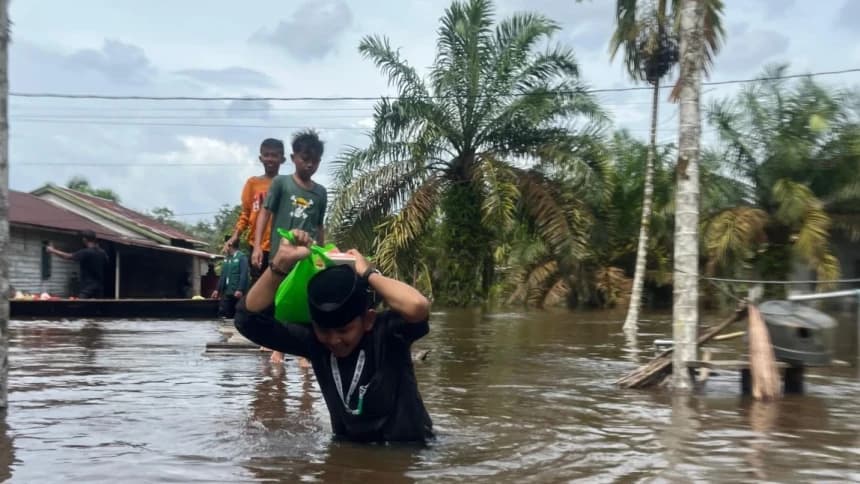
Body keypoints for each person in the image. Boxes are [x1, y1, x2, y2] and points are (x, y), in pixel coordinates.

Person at [235, 229, 434, 443]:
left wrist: (368, 274)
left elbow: (418, 306)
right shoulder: (314, 342)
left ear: (367, 320)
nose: (334, 340)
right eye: (324, 331)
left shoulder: (388, 333)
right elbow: (247, 320)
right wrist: (280, 264)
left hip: (408, 450)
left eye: (344, 330)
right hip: (348, 449)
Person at [252, 129, 327, 366]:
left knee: (305, 298)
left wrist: (321, 256)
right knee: (278, 299)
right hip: (281, 253)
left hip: (307, 254)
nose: (309, 165)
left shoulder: (320, 192)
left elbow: (319, 225)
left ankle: (305, 351)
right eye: (305, 159)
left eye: (314, 161)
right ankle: (279, 348)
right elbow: (265, 214)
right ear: (294, 157)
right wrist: (256, 246)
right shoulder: (281, 184)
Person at [223, 137, 285, 283]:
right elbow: (245, 213)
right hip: (257, 246)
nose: (270, 159)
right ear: (261, 158)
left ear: (282, 159)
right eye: (266, 155)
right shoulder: (253, 183)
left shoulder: (285, 184)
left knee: (278, 285)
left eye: (274, 155)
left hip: (280, 246)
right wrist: (236, 235)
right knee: (258, 286)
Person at [46, 229, 108, 299]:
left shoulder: (86, 252)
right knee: (97, 308)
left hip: (87, 288)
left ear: (84, 239)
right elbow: (106, 263)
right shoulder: (102, 253)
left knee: (81, 307)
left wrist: (53, 250)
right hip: (99, 288)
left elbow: (68, 256)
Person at [211, 237, 249, 319]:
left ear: (230, 245)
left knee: (236, 315)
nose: (223, 246)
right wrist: (217, 290)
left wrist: (240, 289)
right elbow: (222, 275)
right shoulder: (227, 259)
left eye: (225, 244)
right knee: (222, 313)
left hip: (237, 293)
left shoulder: (242, 257)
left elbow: (244, 275)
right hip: (226, 292)